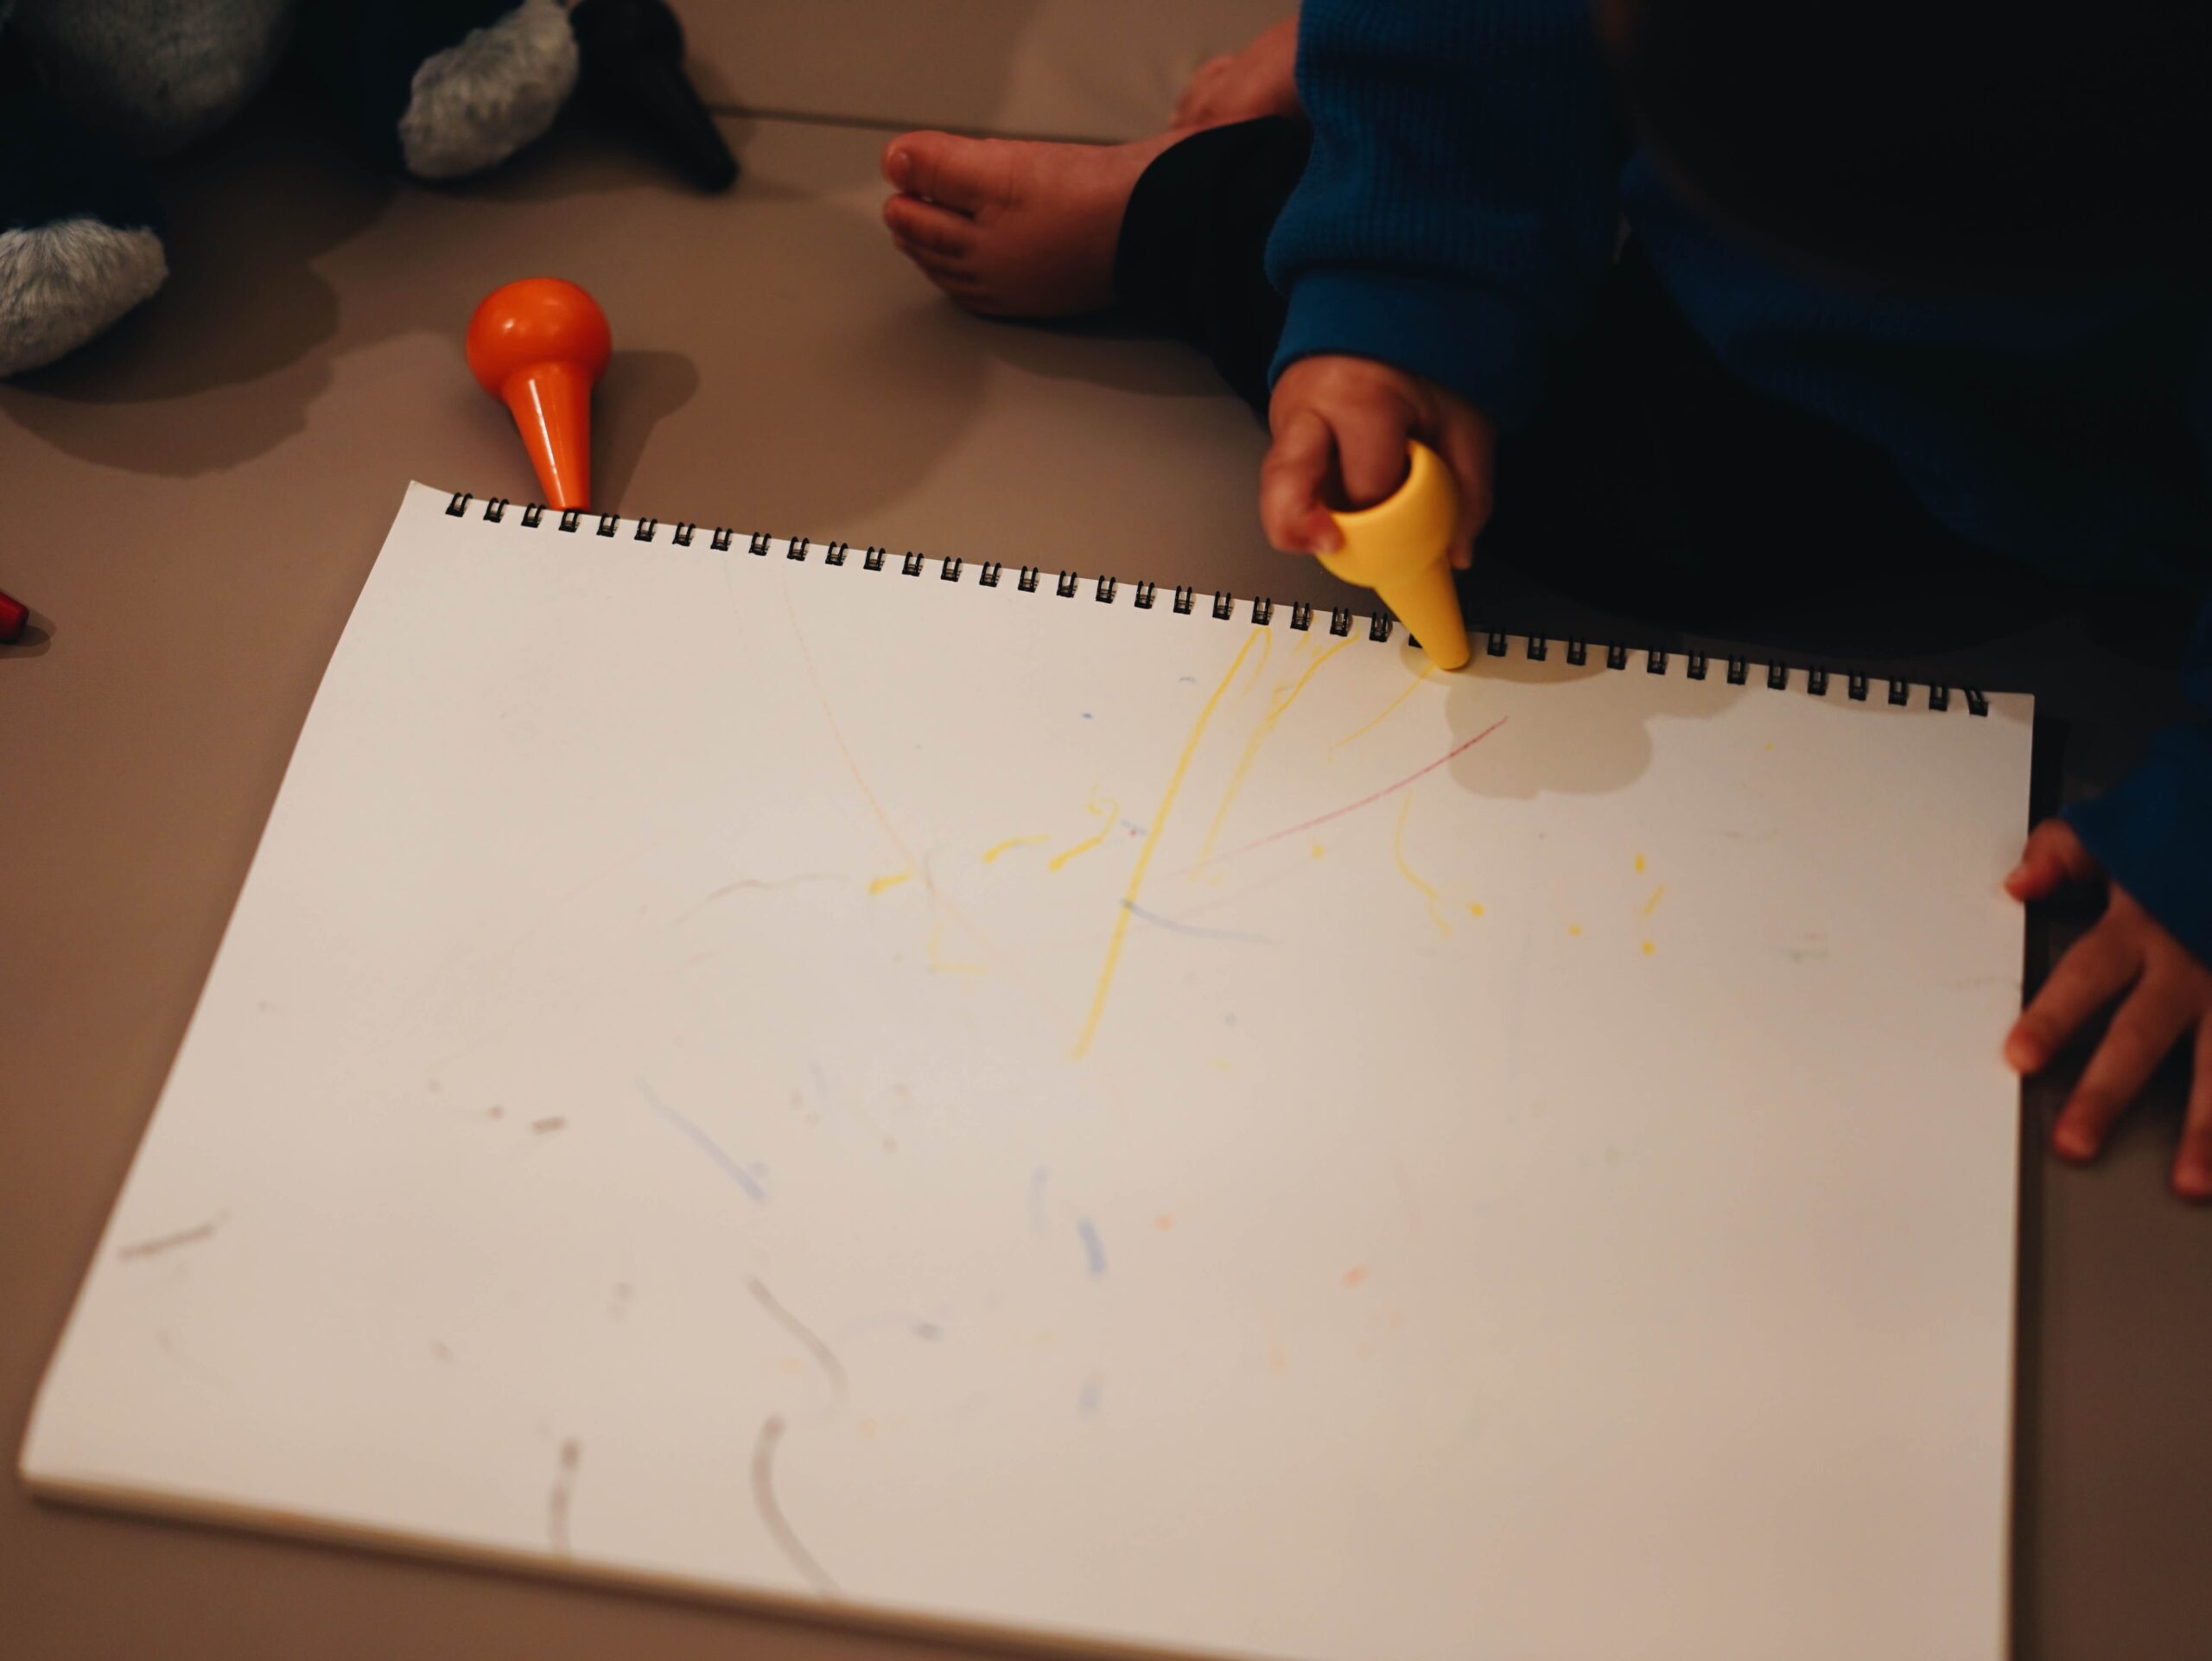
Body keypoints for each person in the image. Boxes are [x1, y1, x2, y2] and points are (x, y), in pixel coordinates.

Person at [878, 2, 2212, 1200]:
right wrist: (1395, 291)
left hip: (2115, 411)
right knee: (1503, 406)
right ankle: (1222, 192)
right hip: (1752, 294)